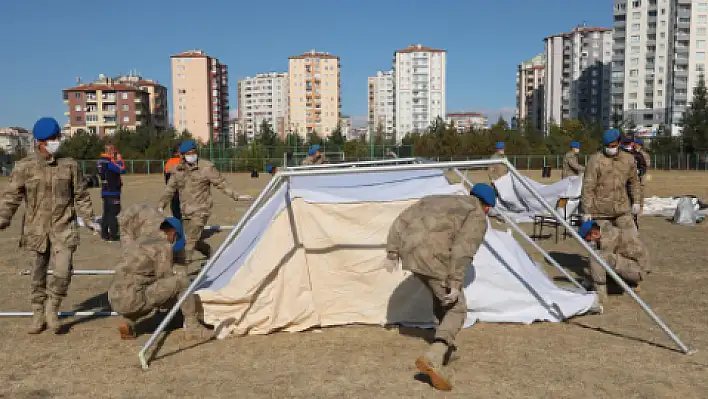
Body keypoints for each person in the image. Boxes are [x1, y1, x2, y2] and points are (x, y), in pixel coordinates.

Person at [385, 184, 497, 391]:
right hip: (434, 256)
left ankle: (447, 349)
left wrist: (392, 251)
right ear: (487, 207)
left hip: (409, 252)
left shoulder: (435, 198)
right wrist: (455, 283)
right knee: (457, 307)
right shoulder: (477, 215)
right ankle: (434, 356)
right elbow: (463, 249)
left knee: (441, 297)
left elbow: (402, 219)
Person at [0, 117, 99, 334]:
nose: (57, 141)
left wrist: (90, 219)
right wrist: (3, 219)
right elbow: (11, 197)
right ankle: (38, 313)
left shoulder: (69, 165)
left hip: (63, 228)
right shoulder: (24, 167)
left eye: (58, 137)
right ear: (41, 142)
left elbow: (81, 195)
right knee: (37, 274)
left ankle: (52, 308)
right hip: (36, 230)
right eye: (53, 138)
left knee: (63, 271)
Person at [108, 216, 214, 340]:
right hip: (134, 299)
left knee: (146, 291)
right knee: (181, 282)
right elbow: (166, 280)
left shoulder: (142, 240)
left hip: (115, 297)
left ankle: (127, 321)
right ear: (173, 233)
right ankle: (193, 328)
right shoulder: (163, 247)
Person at [157, 140, 253, 271]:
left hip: (202, 210)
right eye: (189, 154)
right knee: (191, 239)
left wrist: (236, 196)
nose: (192, 155)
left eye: (194, 152)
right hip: (186, 211)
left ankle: (181, 273)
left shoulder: (206, 167)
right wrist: (161, 204)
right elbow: (170, 189)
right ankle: (209, 252)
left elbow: (221, 183)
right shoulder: (177, 170)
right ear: (182, 155)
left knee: (189, 243)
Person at [581, 129, 641, 232]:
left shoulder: (628, 159)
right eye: (607, 146)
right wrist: (586, 210)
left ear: (619, 142)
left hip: (622, 209)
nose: (610, 148)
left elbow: (634, 182)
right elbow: (588, 187)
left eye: (613, 146)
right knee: (608, 240)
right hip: (600, 212)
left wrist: (636, 201)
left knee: (631, 238)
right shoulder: (595, 160)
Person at [578, 220, 651, 301]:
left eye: (587, 240)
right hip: (634, 265)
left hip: (638, 269)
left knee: (597, 258)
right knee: (601, 264)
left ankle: (600, 295)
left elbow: (600, 264)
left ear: (595, 233)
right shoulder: (606, 233)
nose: (588, 242)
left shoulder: (609, 239)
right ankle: (629, 285)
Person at [96, 143, 125, 241]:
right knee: (114, 213)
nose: (115, 153)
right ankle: (113, 235)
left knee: (106, 213)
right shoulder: (108, 162)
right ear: (111, 151)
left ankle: (104, 234)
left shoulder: (100, 161)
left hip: (105, 190)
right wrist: (120, 160)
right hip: (113, 191)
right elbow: (122, 170)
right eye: (114, 151)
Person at [164, 148, 182, 220]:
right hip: (181, 186)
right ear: (177, 153)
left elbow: (166, 176)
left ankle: (177, 220)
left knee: (174, 204)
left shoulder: (168, 162)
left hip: (172, 186)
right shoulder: (181, 161)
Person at [634, 138, 651, 212]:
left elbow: (647, 164)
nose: (634, 145)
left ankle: (640, 208)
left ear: (638, 145)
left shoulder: (644, 154)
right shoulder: (633, 153)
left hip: (642, 175)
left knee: (641, 191)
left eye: (635, 144)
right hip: (634, 175)